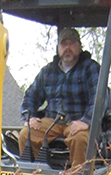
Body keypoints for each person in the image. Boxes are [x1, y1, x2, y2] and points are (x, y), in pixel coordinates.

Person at [18, 27, 101, 166]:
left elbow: (98, 99)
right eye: (64, 44)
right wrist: (29, 118)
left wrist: (86, 121)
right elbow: (30, 96)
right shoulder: (48, 71)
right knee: (26, 135)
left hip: (78, 120)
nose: (67, 48)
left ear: (79, 47)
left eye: (71, 43)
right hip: (53, 121)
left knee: (80, 139)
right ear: (58, 48)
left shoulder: (90, 68)